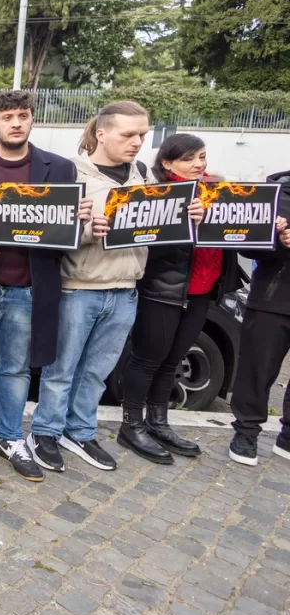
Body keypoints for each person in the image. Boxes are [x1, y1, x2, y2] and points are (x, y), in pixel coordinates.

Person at [28, 101, 201, 473]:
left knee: (97, 372)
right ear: (101, 133)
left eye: (142, 134)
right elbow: (45, 231)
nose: (137, 142)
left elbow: (157, 231)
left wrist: (188, 219)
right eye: (128, 134)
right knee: (62, 370)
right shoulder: (69, 173)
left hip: (126, 290)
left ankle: (79, 431)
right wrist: (88, 232)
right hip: (78, 288)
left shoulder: (143, 175)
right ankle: (45, 432)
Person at [0, 90, 91, 480]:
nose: (16, 123)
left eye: (23, 116)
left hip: (27, 288)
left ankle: (9, 437)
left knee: (15, 369)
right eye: (7, 117)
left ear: (31, 121)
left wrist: (78, 220)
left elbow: (67, 234)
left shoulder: (59, 168)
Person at [121, 134, 239, 464]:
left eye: (201, 156)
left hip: (202, 292)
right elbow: (144, 245)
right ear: (167, 163)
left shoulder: (216, 191)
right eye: (189, 159)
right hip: (162, 292)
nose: (198, 164)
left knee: (172, 361)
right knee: (147, 359)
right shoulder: (157, 194)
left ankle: (159, 423)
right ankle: (132, 425)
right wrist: (185, 221)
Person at [228, 178, 290, 466]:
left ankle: (287, 437)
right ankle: (246, 433)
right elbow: (246, 245)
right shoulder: (274, 193)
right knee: (257, 370)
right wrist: (277, 241)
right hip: (272, 299)